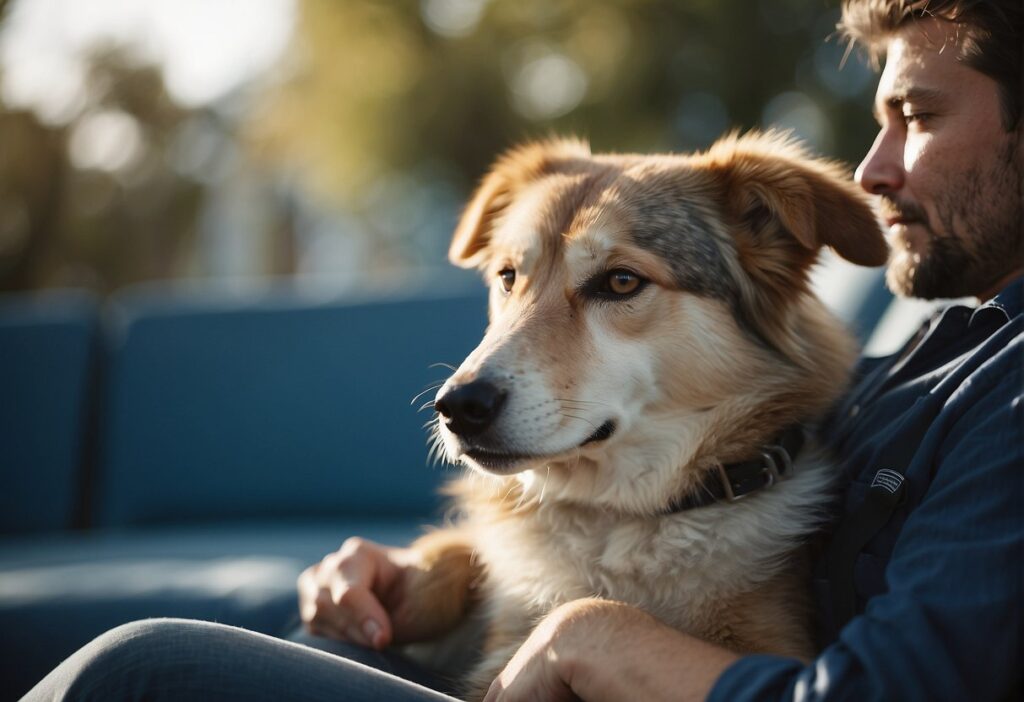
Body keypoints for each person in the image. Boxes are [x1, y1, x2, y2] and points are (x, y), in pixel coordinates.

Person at [23, 1, 1022, 700]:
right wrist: (441, 578)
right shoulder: (942, 330)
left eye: (918, 117)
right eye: (510, 280)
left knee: (141, 672)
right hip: (528, 601)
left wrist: (592, 636)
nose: (872, 167)